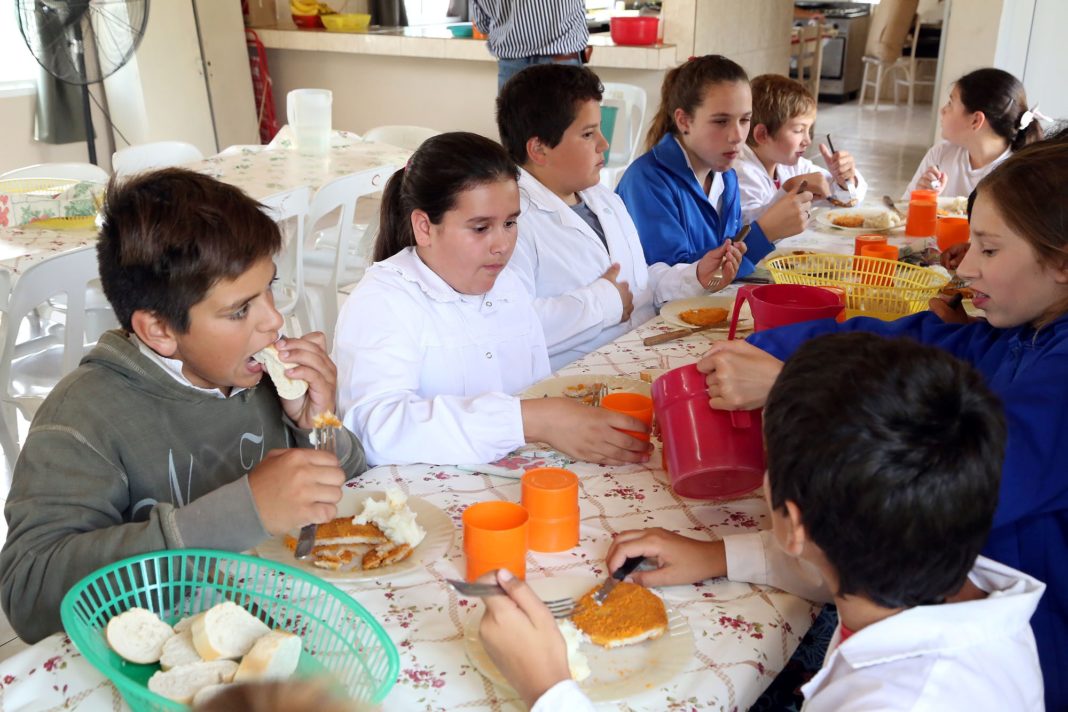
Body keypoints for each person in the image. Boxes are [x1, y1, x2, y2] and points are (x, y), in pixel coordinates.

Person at [695, 129, 1068, 709]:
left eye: (989, 250)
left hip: (1019, 655)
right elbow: (905, 340)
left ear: (1062, 263)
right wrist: (777, 353)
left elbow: (921, 490)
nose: (965, 268)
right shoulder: (1022, 333)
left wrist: (794, 388)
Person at [479, 333, 1045, 710]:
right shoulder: (935, 572)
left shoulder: (899, 700)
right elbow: (850, 555)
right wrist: (718, 555)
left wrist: (549, 688)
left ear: (794, 525)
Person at [0, 169, 367, 643]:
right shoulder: (83, 417)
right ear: (160, 330)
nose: (275, 320)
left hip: (286, 626)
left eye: (269, 288)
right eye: (240, 310)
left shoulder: (261, 383)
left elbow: (353, 483)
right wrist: (240, 512)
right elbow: (30, 597)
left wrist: (315, 424)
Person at [333, 131, 652, 467]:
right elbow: (374, 431)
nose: (502, 245)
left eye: (511, 223)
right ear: (424, 227)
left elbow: (531, 389)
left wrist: (541, 420)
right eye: (481, 228)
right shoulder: (383, 300)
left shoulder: (507, 287)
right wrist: (528, 421)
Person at [496, 63, 746, 369]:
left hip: (641, 351)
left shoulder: (602, 198)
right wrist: (605, 302)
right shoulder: (508, 222)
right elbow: (510, 326)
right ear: (539, 149)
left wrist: (694, 276)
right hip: (578, 378)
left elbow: (640, 285)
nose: (604, 143)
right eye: (588, 134)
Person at [615, 55, 813, 280]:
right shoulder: (646, 182)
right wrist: (765, 233)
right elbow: (671, 283)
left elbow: (727, 263)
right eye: (721, 121)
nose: (737, 136)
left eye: (744, 120)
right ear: (684, 121)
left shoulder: (726, 175)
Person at [737, 73, 868, 224]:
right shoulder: (741, 173)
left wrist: (844, 181)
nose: (808, 141)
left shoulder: (793, 166)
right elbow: (748, 228)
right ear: (762, 134)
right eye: (799, 130)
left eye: (809, 130)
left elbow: (849, 203)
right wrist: (789, 189)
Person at [903, 67, 1043, 199]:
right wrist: (922, 198)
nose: (943, 110)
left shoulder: (1015, 175)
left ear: (976, 120)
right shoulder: (941, 154)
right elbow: (901, 214)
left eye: (951, 103)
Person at [469, 0, 589, 91]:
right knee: (566, 122)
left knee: (516, 122)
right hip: (563, 55)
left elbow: (482, 24)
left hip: (511, 62)